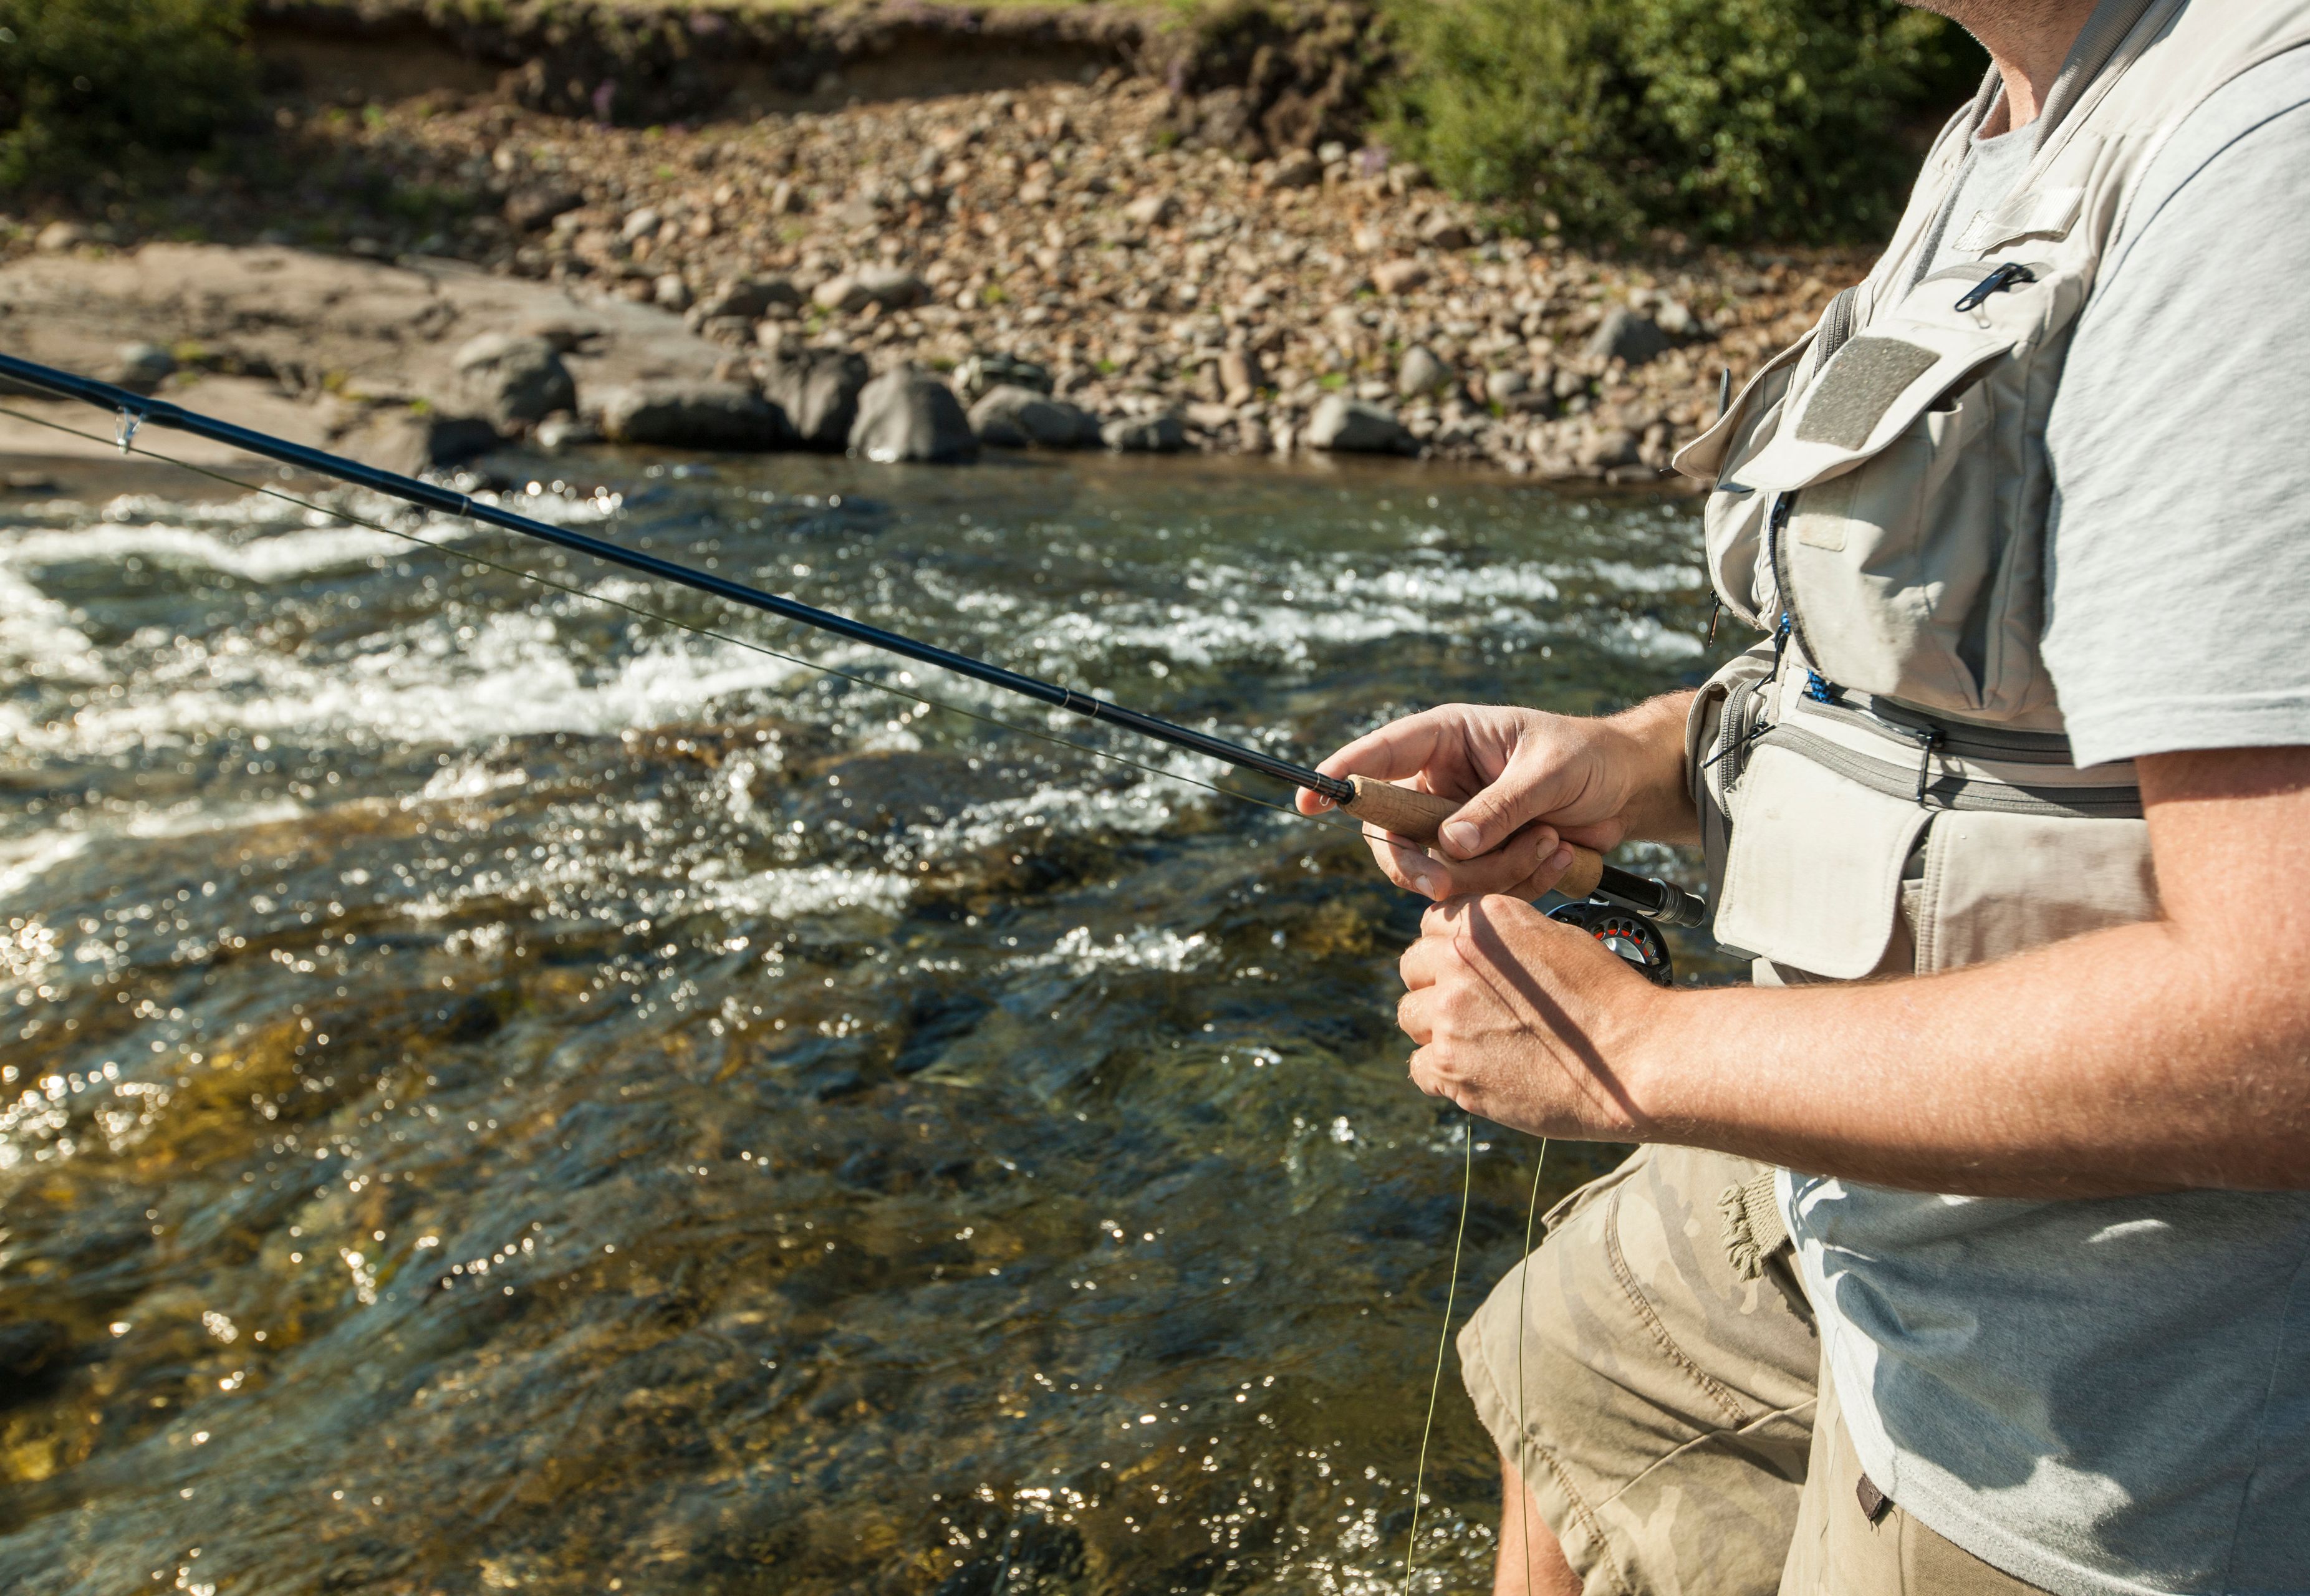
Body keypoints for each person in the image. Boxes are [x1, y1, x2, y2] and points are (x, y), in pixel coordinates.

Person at [1297, 1, 2310, 1592]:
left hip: (2100, 1387)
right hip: (1863, 1177)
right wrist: (1638, 761)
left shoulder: (2261, 176)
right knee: (1570, 1354)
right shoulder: (2008, 126)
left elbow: (2286, 1024)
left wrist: (1635, 1051)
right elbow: (1935, 700)